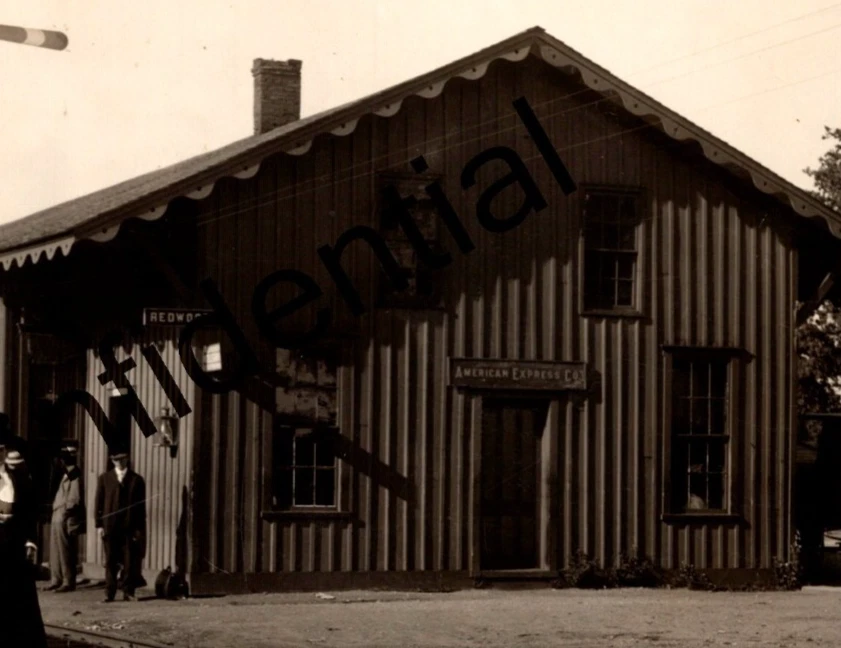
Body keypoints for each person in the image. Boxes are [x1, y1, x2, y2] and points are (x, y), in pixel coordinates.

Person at [0, 444, 49, 647]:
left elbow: (29, 512)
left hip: (15, 547)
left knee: (20, 603)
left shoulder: (19, 477)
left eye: (0, 449)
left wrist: (31, 541)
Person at [94, 447, 146, 602]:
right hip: (110, 527)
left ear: (127, 459)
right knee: (111, 560)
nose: (119, 462)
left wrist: (139, 528)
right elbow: (99, 503)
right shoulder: (104, 478)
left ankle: (128, 592)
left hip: (129, 527)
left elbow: (141, 507)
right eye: (116, 460)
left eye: (122, 459)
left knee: (130, 559)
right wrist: (99, 525)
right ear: (112, 461)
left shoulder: (136, 480)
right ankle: (109, 593)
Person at [44, 440, 85, 593]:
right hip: (57, 513)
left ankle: (68, 580)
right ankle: (56, 579)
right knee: (55, 549)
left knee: (65, 549)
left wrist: (65, 513)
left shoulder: (75, 473)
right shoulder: (64, 474)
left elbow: (74, 499)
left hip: (64, 516)